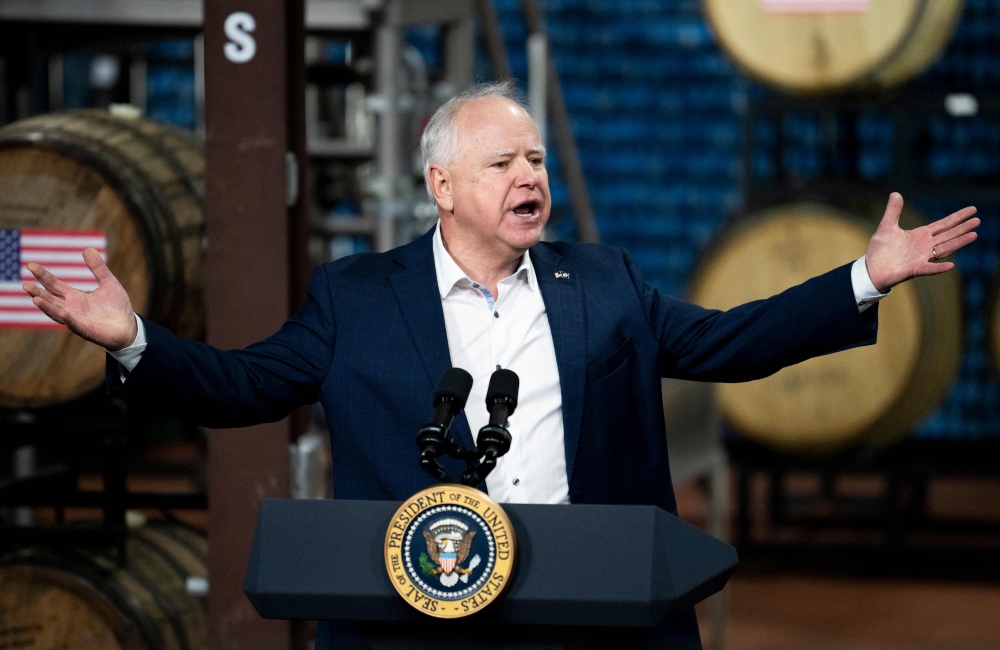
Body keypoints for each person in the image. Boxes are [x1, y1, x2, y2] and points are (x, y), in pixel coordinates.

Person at [22, 81, 979, 648]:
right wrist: (131, 338)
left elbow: (732, 343)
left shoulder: (603, 282)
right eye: (502, 164)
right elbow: (241, 387)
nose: (531, 177)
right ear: (440, 185)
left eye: (537, 159)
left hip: (591, 616)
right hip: (419, 619)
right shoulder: (356, 295)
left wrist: (864, 278)